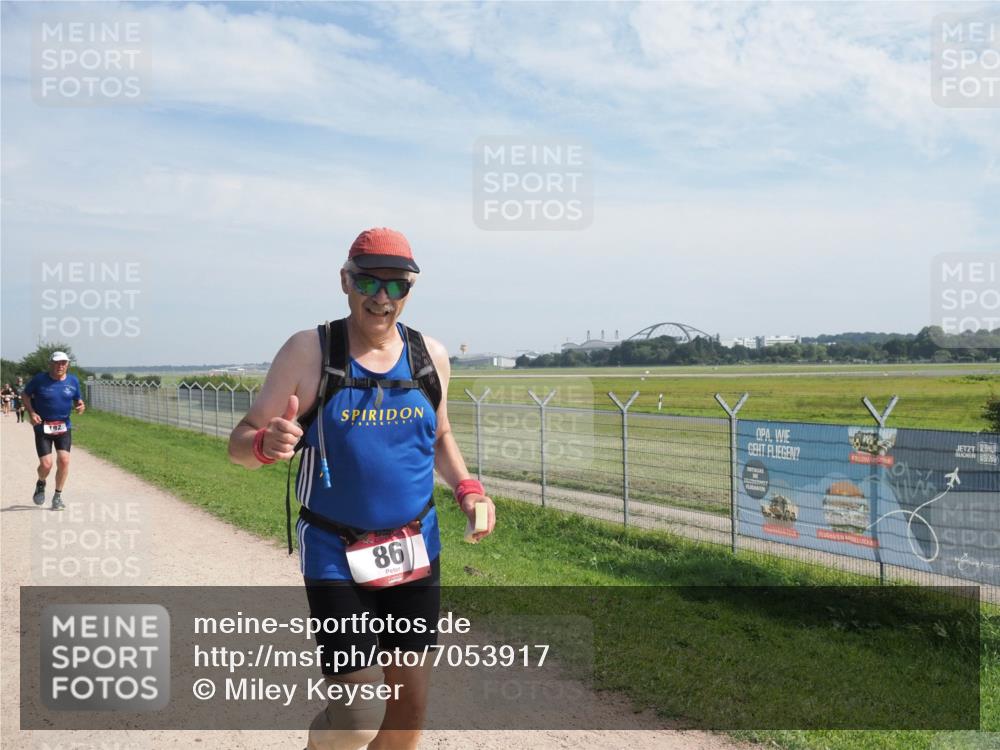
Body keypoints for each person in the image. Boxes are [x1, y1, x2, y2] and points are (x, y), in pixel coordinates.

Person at [229, 227, 495, 750]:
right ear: (345, 281)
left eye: (397, 286)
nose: (381, 297)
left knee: (407, 714)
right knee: (357, 714)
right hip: (334, 549)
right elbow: (239, 442)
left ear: (410, 290)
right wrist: (264, 444)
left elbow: (439, 434)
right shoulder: (309, 351)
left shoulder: (429, 356)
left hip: (414, 546)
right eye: (368, 282)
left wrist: (468, 489)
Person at [22, 352, 86, 510]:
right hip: (43, 425)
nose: (61, 366)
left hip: (64, 426)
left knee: (64, 461)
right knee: (46, 464)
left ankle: (57, 496)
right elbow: (25, 394)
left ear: (68, 365)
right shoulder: (40, 380)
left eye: (64, 363)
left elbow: (78, 400)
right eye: (57, 363)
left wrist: (80, 406)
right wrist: (31, 412)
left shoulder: (73, 381)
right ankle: (41, 482)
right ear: (50, 364)